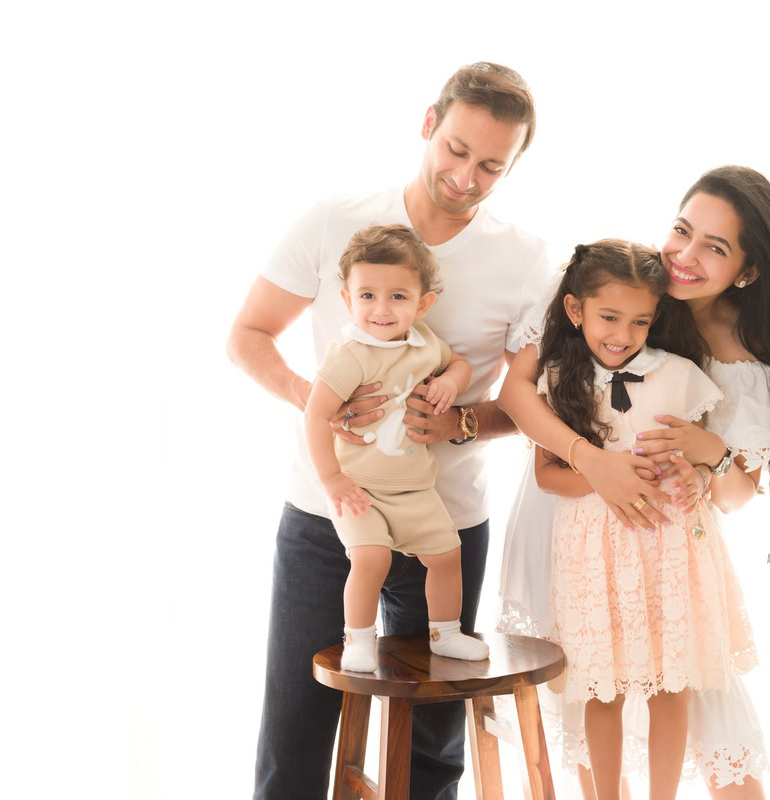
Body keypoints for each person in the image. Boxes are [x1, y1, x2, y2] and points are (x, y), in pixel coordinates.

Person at [228, 62, 550, 800]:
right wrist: (315, 398)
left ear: (513, 167)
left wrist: (461, 418)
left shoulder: (527, 261)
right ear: (429, 123)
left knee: (432, 749)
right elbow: (247, 333)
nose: (467, 177)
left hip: (446, 519)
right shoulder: (332, 220)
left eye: (492, 166)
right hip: (325, 515)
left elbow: (531, 406)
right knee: (295, 731)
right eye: (458, 150)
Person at [499, 165, 770, 799]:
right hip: (569, 526)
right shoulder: (616, 284)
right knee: (587, 692)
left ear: (746, 270)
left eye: (714, 248)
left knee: (696, 698)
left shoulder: (745, 352)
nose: (685, 256)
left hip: (665, 546)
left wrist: (714, 453)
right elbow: (518, 395)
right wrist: (590, 462)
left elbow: (734, 494)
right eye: (682, 229)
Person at [514, 238, 757, 800]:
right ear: (576, 311)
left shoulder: (679, 375)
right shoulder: (558, 378)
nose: (622, 335)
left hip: (670, 544)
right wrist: (606, 476)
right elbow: (548, 474)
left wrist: (688, 473)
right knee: (604, 688)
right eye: (608, 318)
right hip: (593, 549)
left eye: (640, 321)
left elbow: (701, 459)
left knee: (673, 684)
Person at [303, 224, 489, 673]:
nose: (381, 309)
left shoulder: (425, 342)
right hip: (360, 490)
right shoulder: (350, 355)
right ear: (347, 300)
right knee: (371, 557)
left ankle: (446, 634)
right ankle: (360, 640)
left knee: (447, 556)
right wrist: (331, 478)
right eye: (367, 296)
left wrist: (450, 381)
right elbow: (314, 414)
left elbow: (459, 362)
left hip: (415, 490)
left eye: (398, 297)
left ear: (423, 303)